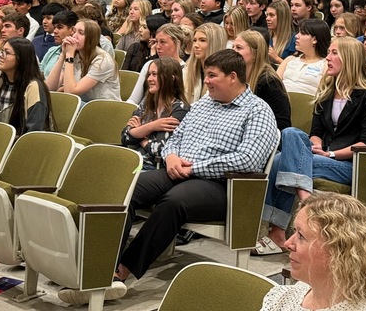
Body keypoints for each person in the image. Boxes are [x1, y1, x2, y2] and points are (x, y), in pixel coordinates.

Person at [82, 51, 277, 303]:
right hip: (177, 170)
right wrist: (172, 156)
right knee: (124, 189)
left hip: (222, 186)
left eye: (212, 76)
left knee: (173, 202)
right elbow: (175, 137)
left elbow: (248, 160)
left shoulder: (258, 111)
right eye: (206, 75)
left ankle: (123, 271)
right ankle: (98, 269)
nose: (206, 81)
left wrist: (195, 168)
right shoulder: (203, 104)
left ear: (233, 77)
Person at [262, 37, 366, 250]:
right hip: (321, 156)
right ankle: (305, 202)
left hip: (347, 164)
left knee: (282, 160)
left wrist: (331, 154)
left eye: (334, 53)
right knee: (290, 134)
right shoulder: (327, 90)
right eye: (329, 52)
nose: (327, 57)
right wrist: (316, 146)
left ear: (350, 59)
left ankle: (280, 229)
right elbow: (316, 132)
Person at [260, 193, 366, 311]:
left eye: (301, 236)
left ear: (339, 250)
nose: (288, 244)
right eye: (294, 231)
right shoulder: (282, 299)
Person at [121, 57, 190, 170]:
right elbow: (125, 137)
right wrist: (152, 126)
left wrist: (139, 133)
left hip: (152, 167)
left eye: (154, 74)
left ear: (171, 79)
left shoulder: (180, 109)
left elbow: (160, 149)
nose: (149, 79)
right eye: (149, 74)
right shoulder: (146, 103)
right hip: (131, 160)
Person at [0, 37, 53, 134]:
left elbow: (34, 130)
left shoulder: (33, 87)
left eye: (7, 53)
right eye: (1, 51)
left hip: (23, 145)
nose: (1, 56)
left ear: (21, 58)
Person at [45, 19, 121, 103]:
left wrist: (69, 56)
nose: (74, 36)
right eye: (74, 31)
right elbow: (49, 88)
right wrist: (63, 55)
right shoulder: (75, 54)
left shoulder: (103, 60)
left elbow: (71, 92)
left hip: (102, 108)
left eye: (81, 33)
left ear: (91, 38)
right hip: (81, 103)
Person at [233, 30, 291, 130]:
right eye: (232, 47)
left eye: (239, 48)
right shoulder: (234, 77)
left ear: (255, 53)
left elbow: (283, 124)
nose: (233, 51)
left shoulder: (269, 82)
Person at [276, 19, 330, 96]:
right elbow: (274, 86)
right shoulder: (289, 60)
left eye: (302, 33)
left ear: (314, 39)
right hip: (283, 104)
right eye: (298, 32)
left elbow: (325, 93)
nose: (296, 36)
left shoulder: (325, 64)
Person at [185, 22, 228, 102]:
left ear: (215, 43)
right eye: (194, 40)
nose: (196, 45)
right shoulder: (186, 71)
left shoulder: (225, 75)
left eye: (202, 40)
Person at [267, 0, 296, 64]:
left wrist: (276, 58)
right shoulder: (266, 37)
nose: (267, 18)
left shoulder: (294, 40)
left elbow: (294, 69)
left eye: (271, 15)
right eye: (267, 15)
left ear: (282, 17)